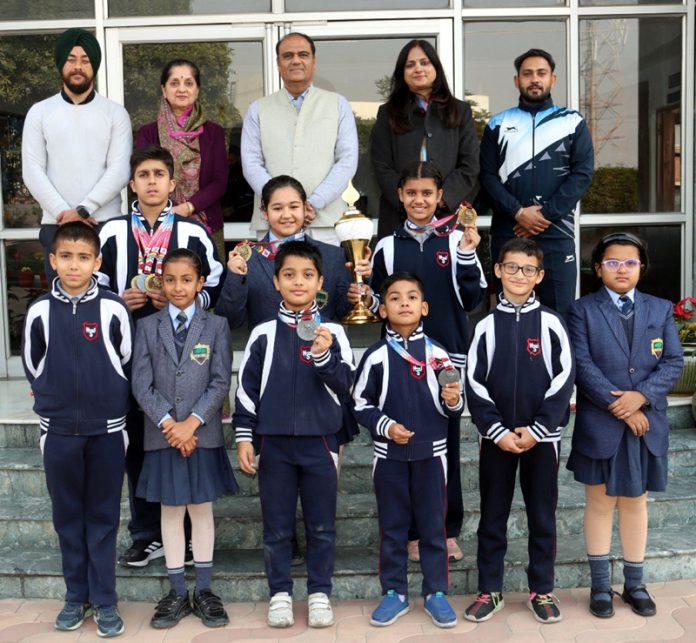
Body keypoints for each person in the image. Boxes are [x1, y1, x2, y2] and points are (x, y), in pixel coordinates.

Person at [98, 145, 224, 569]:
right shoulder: (110, 232)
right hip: (127, 353)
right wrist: (118, 299)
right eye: (143, 175)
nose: (151, 182)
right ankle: (147, 533)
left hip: (182, 353)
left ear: (173, 184)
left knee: (184, 437)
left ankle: (188, 538)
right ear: (131, 185)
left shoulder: (192, 232)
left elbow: (215, 285)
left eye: (159, 175)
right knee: (139, 441)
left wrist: (179, 299)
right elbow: (92, 286)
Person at [363, 160, 485, 562]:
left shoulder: (455, 240)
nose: (419, 200)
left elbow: (472, 299)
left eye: (427, 193)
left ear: (439, 197)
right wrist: (361, 295)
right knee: (401, 443)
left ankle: (446, 530)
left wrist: (467, 254)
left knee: (444, 448)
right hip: (398, 359)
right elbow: (378, 304)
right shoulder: (386, 246)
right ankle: (409, 533)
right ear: (400, 196)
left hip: (445, 357)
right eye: (411, 193)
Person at [233, 241, 355, 629]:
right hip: (274, 444)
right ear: (276, 282)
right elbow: (247, 389)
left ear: (320, 281)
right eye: (289, 275)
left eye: (306, 275)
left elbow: (346, 384)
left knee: (321, 524)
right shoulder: (264, 334)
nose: (298, 282)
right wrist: (244, 437)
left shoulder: (333, 331)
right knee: (277, 526)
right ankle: (280, 593)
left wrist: (324, 356)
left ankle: (319, 592)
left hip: (321, 442)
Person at [21, 222, 133, 637]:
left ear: (97, 262)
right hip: (59, 432)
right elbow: (33, 366)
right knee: (68, 518)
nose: (73, 265)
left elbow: (126, 360)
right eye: (65, 256)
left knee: (102, 517)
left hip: (107, 432)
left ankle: (105, 601)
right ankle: (75, 597)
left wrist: (108, 401)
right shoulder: (38, 311)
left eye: (83, 257)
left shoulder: (112, 309)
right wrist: (52, 400)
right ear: (52, 261)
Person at [565, 232, 683, 619]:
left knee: (636, 503)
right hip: (603, 424)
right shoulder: (582, 310)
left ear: (641, 268)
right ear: (598, 268)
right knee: (599, 503)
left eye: (630, 262)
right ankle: (600, 587)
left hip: (647, 423)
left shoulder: (661, 308)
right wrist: (622, 406)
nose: (621, 269)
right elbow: (582, 365)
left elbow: (672, 363)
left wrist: (640, 398)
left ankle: (635, 584)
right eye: (612, 262)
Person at [464, 238, 575, 624]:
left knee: (541, 515)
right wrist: (496, 430)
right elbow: (473, 383)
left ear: (540, 276)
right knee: (492, 515)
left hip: (541, 441)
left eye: (528, 269)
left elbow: (564, 380)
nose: (519, 275)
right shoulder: (484, 327)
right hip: (496, 440)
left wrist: (539, 429)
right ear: (497, 271)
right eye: (511, 267)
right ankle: (489, 589)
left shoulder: (551, 323)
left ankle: (541, 589)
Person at [132, 248, 236, 630]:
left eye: (186, 280)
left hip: (201, 435)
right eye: (170, 280)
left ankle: (204, 591)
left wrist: (191, 423)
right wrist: (169, 425)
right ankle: (177, 591)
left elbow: (221, 379)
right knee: (171, 512)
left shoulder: (216, 326)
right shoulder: (147, 326)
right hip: (163, 437)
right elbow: (141, 383)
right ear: (160, 281)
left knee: (201, 510)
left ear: (201, 283)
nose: (178, 287)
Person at [353, 272, 463, 629]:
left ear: (424, 307)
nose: (404, 303)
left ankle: (436, 593)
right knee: (393, 527)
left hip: (433, 456)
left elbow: (454, 405)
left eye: (412, 297)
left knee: (434, 527)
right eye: (395, 298)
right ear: (382, 309)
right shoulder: (375, 355)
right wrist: (386, 427)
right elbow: (359, 403)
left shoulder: (439, 354)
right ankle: (394, 593)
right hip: (390, 459)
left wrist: (453, 400)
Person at [478, 48, 594, 317]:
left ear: (552, 79)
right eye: (527, 73)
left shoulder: (572, 121)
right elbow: (487, 176)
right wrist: (518, 212)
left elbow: (583, 174)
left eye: (541, 73)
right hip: (510, 230)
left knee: (559, 315)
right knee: (508, 313)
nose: (534, 79)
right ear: (516, 80)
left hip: (556, 232)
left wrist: (546, 215)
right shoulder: (498, 123)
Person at [22, 27, 132, 280]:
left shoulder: (116, 113)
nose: (78, 67)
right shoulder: (40, 112)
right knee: (61, 307)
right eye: (71, 59)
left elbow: (120, 170)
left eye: (85, 60)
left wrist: (83, 209)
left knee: (107, 304)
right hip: (56, 225)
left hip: (105, 223)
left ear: (94, 65)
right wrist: (65, 212)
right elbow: (32, 169)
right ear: (61, 64)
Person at [241, 32, 358, 245]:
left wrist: (313, 203)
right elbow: (251, 163)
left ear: (313, 61)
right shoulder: (258, 109)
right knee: (273, 277)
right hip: (273, 224)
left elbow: (347, 160)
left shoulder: (337, 104)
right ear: (278, 63)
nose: (296, 60)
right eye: (288, 56)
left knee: (327, 277)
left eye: (303, 54)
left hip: (326, 222)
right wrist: (280, 204)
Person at [371, 39, 479, 239]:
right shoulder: (388, 113)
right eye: (410, 65)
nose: (418, 69)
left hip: (448, 216)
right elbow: (381, 166)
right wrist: (410, 200)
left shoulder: (460, 111)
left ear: (435, 67)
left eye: (424, 62)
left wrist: (441, 198)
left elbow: (470, 164)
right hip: (399, 217)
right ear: (402, 73)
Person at [136, 59, 229, 258]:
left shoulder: (214, 133)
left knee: (208, 282)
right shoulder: (148, 133)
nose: (181, 89)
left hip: (207, 222)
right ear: (164, 89)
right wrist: (168, 212)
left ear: (197, 89)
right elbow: (144, 177)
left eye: (188, 83)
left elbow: (220, 182)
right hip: (159, 223)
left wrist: (188, 207)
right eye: (174, 83)